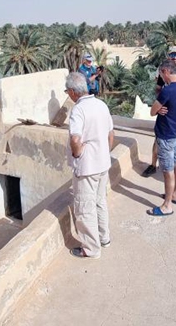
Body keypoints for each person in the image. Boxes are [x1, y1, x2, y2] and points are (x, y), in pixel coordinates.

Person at [64, 72, 114, 259]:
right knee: (100, 202)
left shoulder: (78, 110)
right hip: (103, 164)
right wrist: (103, 153)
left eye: (67, 91)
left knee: (85, 208)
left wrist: (78, 154)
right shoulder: (101, 104)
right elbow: (111, 134)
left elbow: (75, 138)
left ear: (72, 92)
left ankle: (91, 249)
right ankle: (104, 238)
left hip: (87, 168)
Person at [142, 46, 176, 177]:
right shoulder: (165, 72)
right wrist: (160, 104)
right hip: (166, 111)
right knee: (158, 139)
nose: (174, 57)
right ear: (168, 56)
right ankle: (153, 164)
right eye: (172, 54)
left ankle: (175, 164)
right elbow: (158, 89)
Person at [147, 60, 176, 216]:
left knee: (167, 170)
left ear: (165, 71)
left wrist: (158, 110)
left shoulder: (167, 90)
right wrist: (162, 109)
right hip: (175, 133)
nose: (160, 77)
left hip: (165, 135)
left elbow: (152, 111)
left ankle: (167, 205)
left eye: (160, 74)